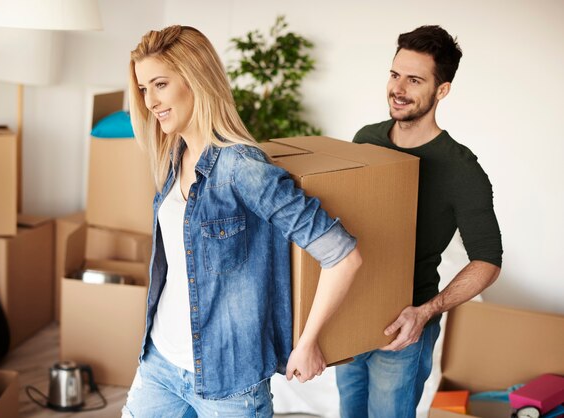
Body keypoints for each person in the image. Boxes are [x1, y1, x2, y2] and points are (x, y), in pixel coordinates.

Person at [121, 25, 363, 418]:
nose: (149, 101)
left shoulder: (242, 168)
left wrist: (307, 342)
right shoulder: (173, 156)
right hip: (160, 363)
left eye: (159, 84)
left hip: (229, 382)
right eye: (144, 89)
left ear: (196, 79)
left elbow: (342, 255)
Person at [336, 25, 503, 418]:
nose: (398, 88)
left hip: (405, 327)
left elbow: (488, 260)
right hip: (352, 313)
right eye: (395, 75)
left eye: (414, 80)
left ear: (441, 90)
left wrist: (426, 312)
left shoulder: (461, 169)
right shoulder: (366, 140)